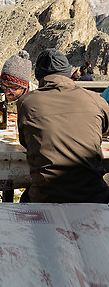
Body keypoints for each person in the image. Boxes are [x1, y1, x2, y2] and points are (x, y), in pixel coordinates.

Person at [12, 49, 109, 203]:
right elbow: (104, 131)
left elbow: (25, 142)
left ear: (38, 76)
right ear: (68, 72)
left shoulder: (26, 102)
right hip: (94, 197)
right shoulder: (96, 100)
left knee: (25, 197)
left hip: (46, 197)